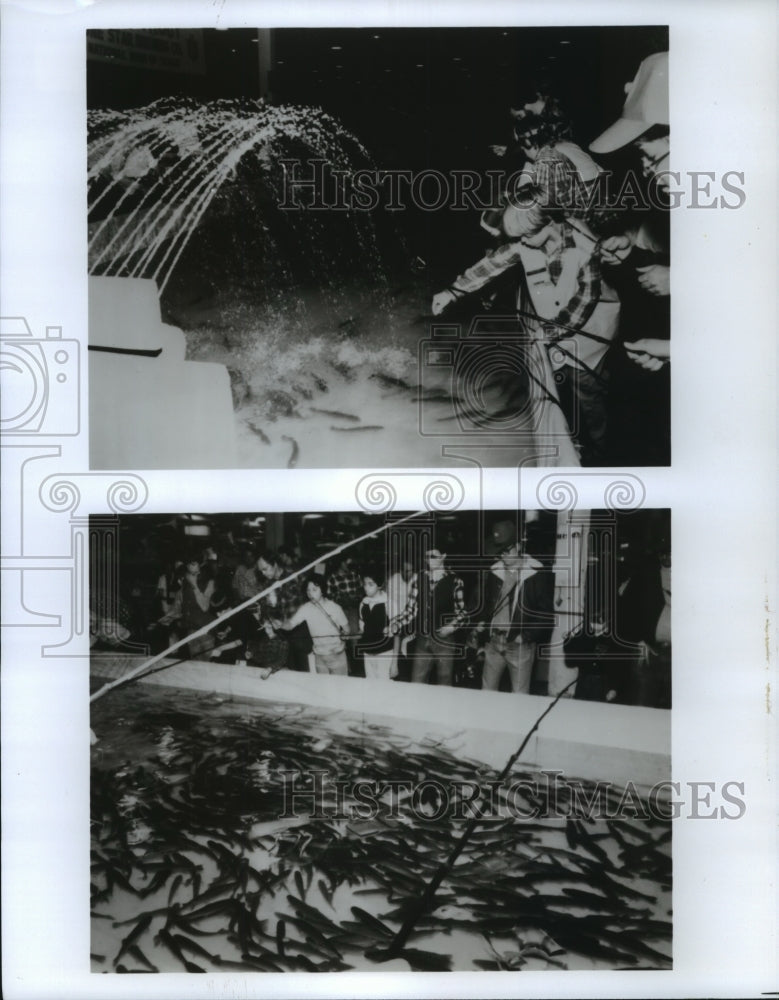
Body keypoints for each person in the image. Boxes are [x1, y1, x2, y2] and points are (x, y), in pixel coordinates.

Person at [432, 112, 620, 465]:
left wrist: (552, 331)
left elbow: (585, 299)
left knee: (588, 391)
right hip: (555, 331)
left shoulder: (582, 248)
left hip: (591, 335)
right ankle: (573, 439)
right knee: (558, 386)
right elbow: (496, 261)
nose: (520, 244)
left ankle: (601, 451)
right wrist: (453, 291)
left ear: (548, 222)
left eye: (525, 237)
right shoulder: (528, 240)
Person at [475, 520, 555, 693]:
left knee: (519, 696)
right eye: (500, 552)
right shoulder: (494, 571)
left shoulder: (535, 573)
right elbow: (487, 602)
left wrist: (525, 636)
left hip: (519, 645)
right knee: (486, 692)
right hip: (494, 641)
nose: (503, 556)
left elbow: (545, 612)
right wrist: (483, 623)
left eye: (507, 551)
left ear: (518, 547)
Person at [388, 548, 468, 686]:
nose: (429, 559)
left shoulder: (455, 581)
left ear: (443, 556)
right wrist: (397, 623)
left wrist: (451, 627)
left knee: (444, 684)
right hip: (422, 640)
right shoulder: (419, 579)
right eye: (427, 556)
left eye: (433, 556)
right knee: (416, 683)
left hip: (444, 642)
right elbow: (411, 610)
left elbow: (463, 614)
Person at [274, 577, 350, 675]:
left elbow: (347, 630)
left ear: (322, 590)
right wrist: (281, 624)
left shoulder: (335, 608)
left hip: (336, 654)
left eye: (314, 589)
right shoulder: (306, 608)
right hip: (319, 656)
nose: (310, 593)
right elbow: (291, 625)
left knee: (340, 684)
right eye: (308, 590)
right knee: (323, 685)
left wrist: (345, 635)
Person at [356, 568, 396, 681]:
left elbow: (397, 634)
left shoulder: (389, 603)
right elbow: (363, 629)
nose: (366, 587)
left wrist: (395, 662)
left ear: (380, 585)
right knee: (370, 684)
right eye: (364, 584)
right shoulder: (363, 604)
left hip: (385, 653)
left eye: (370, 584)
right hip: (368, 653)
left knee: (384, 685)